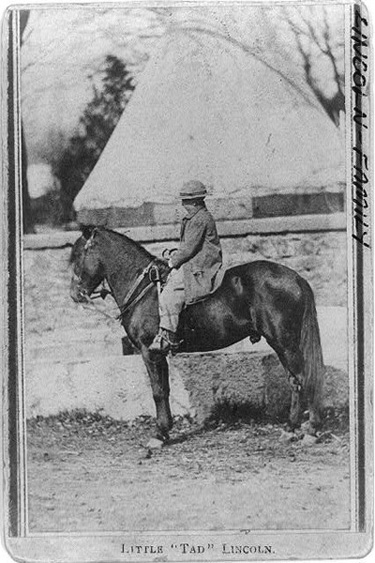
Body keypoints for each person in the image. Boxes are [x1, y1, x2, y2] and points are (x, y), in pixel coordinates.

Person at [149, 180, 223, 354]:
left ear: (196, 201)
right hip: (196, 261)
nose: (183, 205)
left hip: (201, 265)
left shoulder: (199, 219)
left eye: (186, 201)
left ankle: (168, 337)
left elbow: (189, 249)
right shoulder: (197, 217)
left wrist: (170, 262)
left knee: (169, 293)